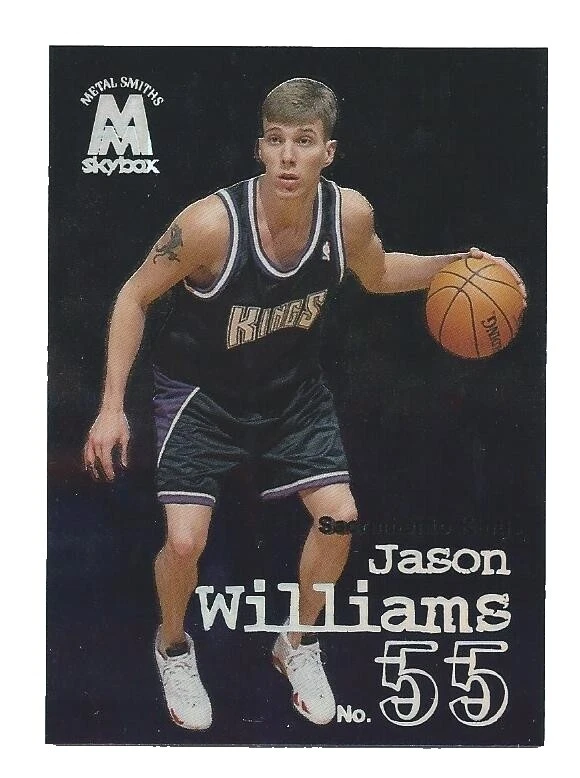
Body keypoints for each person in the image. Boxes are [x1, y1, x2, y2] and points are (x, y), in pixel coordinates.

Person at [83, 77, 525, 730]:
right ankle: (173, 646)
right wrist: (111, 405)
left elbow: (378, 273)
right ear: (260, 148)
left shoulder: (348, 217)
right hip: (201, 394)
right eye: (277, 140)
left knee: (339, 518)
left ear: (328, 152)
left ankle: (296, 641)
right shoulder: (208, 226)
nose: (289, 156)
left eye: (305, 141)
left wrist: (455, 266)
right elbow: (133, 295)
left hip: (290, 391)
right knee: (184, 541)